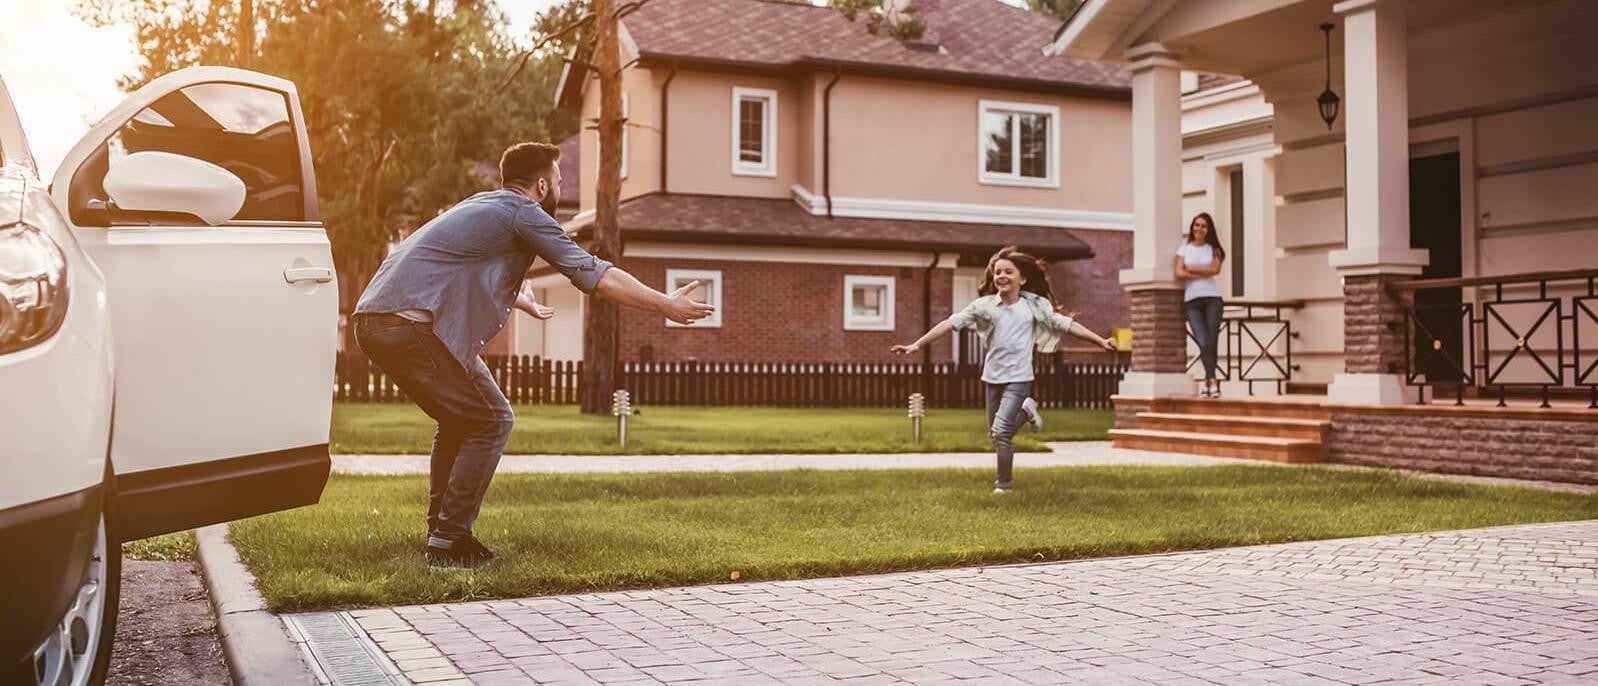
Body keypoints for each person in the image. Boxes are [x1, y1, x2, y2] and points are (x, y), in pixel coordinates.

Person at [352, 141, 714, 567]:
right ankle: (449, 541)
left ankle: (442, 532)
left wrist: (520, 300)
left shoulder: (483, 205)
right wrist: (664, 304)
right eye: (559, 180)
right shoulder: (525, 213)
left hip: (377, 320)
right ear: (542, 185)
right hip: (409, 325)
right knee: (491, 420)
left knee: (460, 420)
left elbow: (454, 264)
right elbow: (591, 271)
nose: (560, 188)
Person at [891, 247, 1116, 494]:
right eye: (998, 272)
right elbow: (950, 323)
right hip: (992, 376)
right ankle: (1027, 410)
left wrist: (1100, 341)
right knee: (996, 434)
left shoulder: (1034, 307)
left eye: (1008, 271)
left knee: (1001, 431)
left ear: (1023, 279)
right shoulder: (985, 306)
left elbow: (1068, 325)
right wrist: (917, 344)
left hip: (1019, 378)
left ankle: (1003, 485)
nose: (1002, 276)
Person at [1175, 212, 1226, 398]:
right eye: (1196, 225)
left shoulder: (1214, 249)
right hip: (1192, 301)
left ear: (1208, 229)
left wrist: (1191, 269)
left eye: (1204, 226)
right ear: (1192, 227)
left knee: (1211, 342)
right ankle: (1212, 380)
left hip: (1213, 299)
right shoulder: (1184, 249)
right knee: (1203, 341)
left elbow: (1215, 269)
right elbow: (1179, 272)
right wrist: (1203, 273)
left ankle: (1209, 382)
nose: (1199, 229)